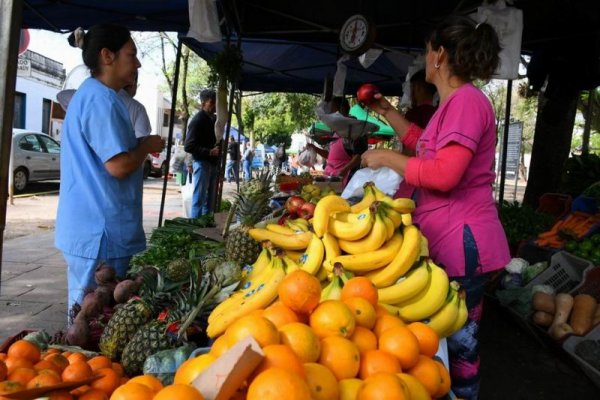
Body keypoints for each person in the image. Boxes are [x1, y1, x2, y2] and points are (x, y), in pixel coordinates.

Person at [360, 16, 511, 399]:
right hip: (448, 237)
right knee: (445, 345)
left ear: (440, 54)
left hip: (464, 242)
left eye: (427, 51)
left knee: (460, 348)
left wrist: (385, 159)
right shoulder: (454, 104)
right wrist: (385, 110)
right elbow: (422, 143)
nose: (425, 59)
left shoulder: (467, 103)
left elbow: (444, 175)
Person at [55, 24, 164, 318]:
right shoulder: (101, 99)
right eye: (132, 55)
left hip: (91, 227)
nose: (138, 63)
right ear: (107, 56)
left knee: (88, 316)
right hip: (98, 231)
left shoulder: (96, 95)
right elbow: (118, 166)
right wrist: (146, 145)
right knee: (88, 320)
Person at [307, 97, 368, 186]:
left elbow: (359, 157)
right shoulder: (335, 131)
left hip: (346, 180)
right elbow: (330, 155)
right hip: (330, 178)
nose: (329, 114)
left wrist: (344, 170)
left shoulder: (355, 130)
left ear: (341, 110)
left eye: (331, 110)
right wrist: (315, 149)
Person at [184, 89, 220, 218]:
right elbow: (188, 146)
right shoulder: (197, 120)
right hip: (202, 163)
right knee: (199, 200)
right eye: (212, 102)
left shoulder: (214, 119)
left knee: (209, 202)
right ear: (203, 103)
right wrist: (209, 152)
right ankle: (195, 229)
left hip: (212, 164)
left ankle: (206, 227)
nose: (215, 105)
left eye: (216, 102)